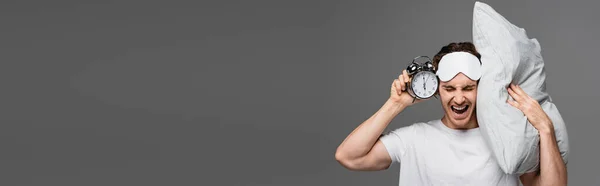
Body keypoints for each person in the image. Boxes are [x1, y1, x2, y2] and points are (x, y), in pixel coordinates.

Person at [334, 42, 567, 186]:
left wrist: (545, 129)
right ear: (436, 90)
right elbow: (349, 156)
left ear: (482, 89)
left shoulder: (507, 138)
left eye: (468, 88)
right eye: (449, 88)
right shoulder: (414, 139)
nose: (458, 98)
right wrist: (395, 104)